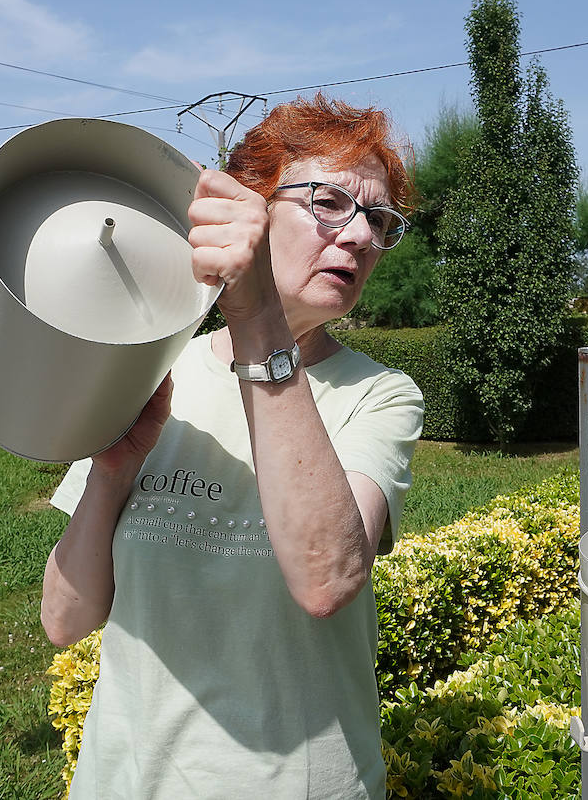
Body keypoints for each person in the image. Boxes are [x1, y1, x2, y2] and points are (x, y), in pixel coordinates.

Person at [40, 93, 424, 799]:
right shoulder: (151, 368)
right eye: (330, 200)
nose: (362, 235)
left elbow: (328, 580)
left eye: (378, 218)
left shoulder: (380, 395)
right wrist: (112, 472)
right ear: (250, 205)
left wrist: (254, 315)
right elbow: (65, 620)